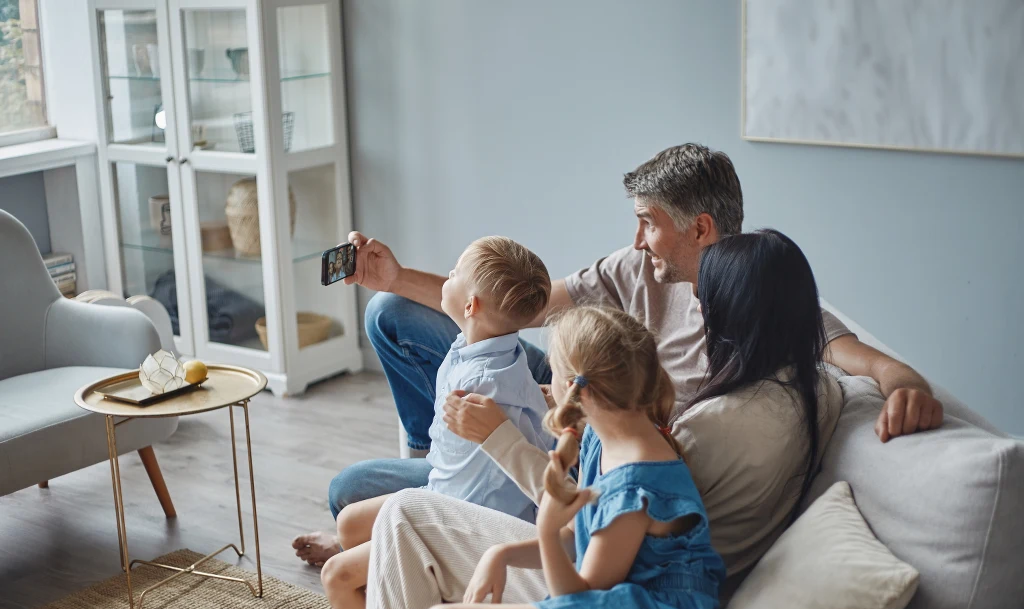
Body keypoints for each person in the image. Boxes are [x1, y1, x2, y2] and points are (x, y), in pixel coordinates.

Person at [291, 142, 944, 570]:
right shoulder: (634, 268)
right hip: (567, 384)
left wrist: (902, 378)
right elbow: (516, 306)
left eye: (648, 221)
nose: (636, 238)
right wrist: (396, 276)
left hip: (597, 431)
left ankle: (439, 493)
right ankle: (440, 457)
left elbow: (854, 352)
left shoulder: (757, 305)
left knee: (346, 492)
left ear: (700, 229)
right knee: (393, 316)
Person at [356, 228, 840, 609]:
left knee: (425, 578)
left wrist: (538, 519)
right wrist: (508, 549)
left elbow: (584, 591)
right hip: (608, 598)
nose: (696, 305)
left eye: (704, 299)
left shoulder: (649, 473)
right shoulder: (607, 435)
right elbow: (579, 541)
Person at [396, 306, 726, 609]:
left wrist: (549, 532)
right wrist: (501, 553)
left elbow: (579, 600)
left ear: (574, 388)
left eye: (552, 370)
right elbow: (578, 539)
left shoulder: (637, 486)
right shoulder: (603, 438)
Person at [318, 237, 555, 609]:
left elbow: (485, 485)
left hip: (458, 517)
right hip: (444, 486)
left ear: (471, 306)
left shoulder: (483, 386)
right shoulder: (493, 349)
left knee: (336, 576)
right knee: (350, 524)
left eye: (454, 272)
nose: (446, 275)